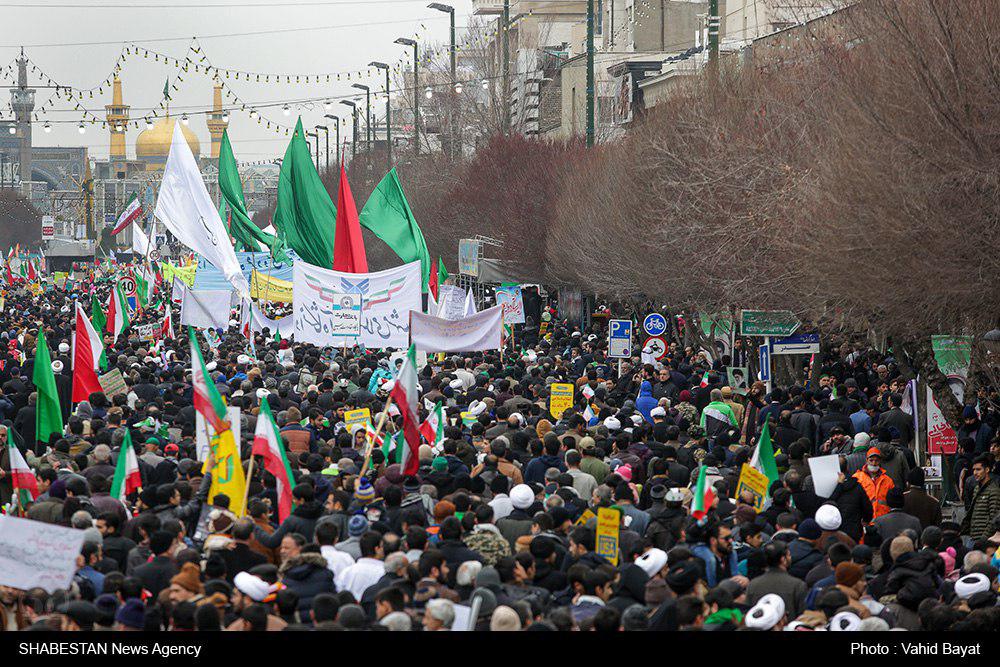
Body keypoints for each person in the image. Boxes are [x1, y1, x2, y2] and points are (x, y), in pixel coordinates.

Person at [960, 455, 1000, 541]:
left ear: (987, 470)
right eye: (973, 470)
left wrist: (984, 538)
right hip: (974, 537)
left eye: (978, 469)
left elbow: (994, 518)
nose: (975, 473)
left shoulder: (994, 491)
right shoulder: (977, 488)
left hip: (985, 540)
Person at [853, 447, 894, 521]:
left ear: (880, 461)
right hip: (864, 521)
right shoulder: (857, 477)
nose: (874, 463)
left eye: (876, 460)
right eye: (871, 460)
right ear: (866, 460)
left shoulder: (888, 480)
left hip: (883, 521)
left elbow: (892, 502)